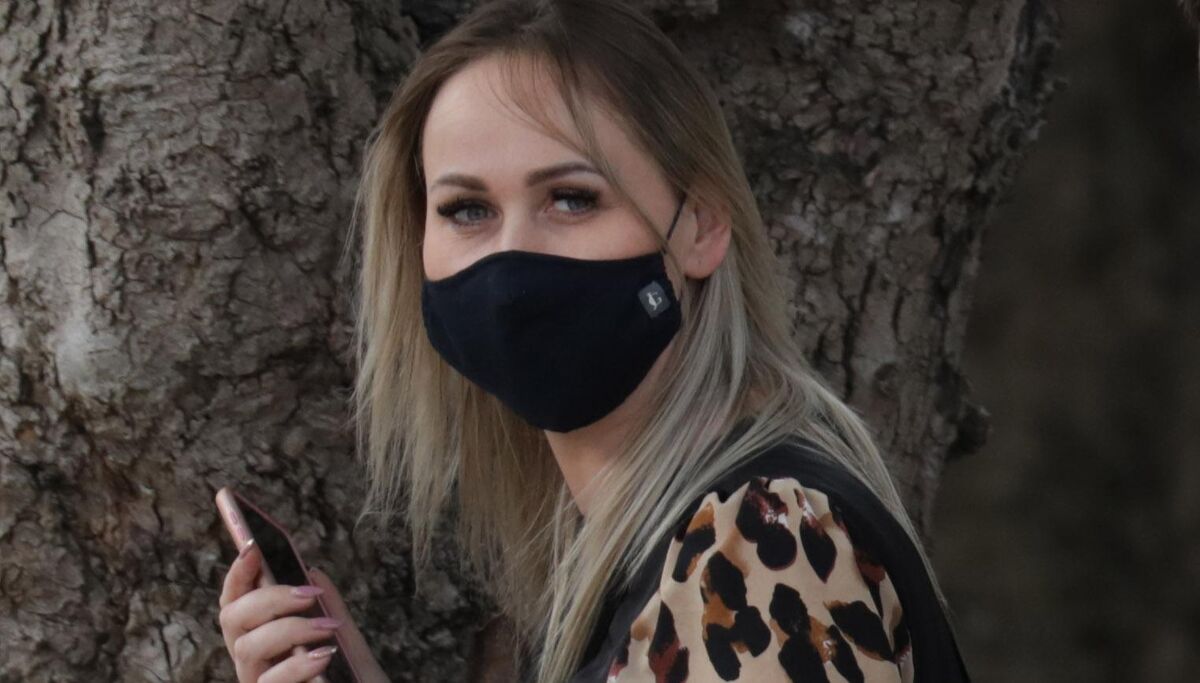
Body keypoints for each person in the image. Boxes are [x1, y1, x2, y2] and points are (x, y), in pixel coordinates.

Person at [217, 0, 971, 681]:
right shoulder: (634, 559)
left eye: (572, 199)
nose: (510, 269)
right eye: (466, 210)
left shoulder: (759, 543)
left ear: (701, 227)